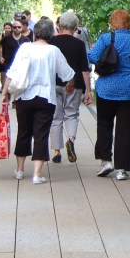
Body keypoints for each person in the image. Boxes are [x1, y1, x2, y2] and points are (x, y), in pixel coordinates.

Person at [0, 17, 75, 184]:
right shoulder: (53, 51)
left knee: (24, 131)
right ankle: (36, 174)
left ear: (36, 33)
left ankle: (19, 170)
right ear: (51, 34)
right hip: (46, 98)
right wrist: (71, 85)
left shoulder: (25, 48)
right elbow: (68, 74)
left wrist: (5, 93)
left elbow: (11, 72)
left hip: (24, 97)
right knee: (41, 134)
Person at [87, 9, 130, 181]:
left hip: (106, 89)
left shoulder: (105, 39)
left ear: (112, 23)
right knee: (125, 128)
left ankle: (105, 161)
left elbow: (93, 57)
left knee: (104, 124)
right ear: (129, 23)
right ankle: (122, 170)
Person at [49, 11, 92, 164]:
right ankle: (71, 140)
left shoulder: (52, 41)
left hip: (55, 83)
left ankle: (56, 152)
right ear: (75, 28)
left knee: (56, 117)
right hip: (75, 85)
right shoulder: (79, 44)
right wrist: (89, 90)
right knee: (72, 114)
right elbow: (84, 69)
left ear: (59, 26)